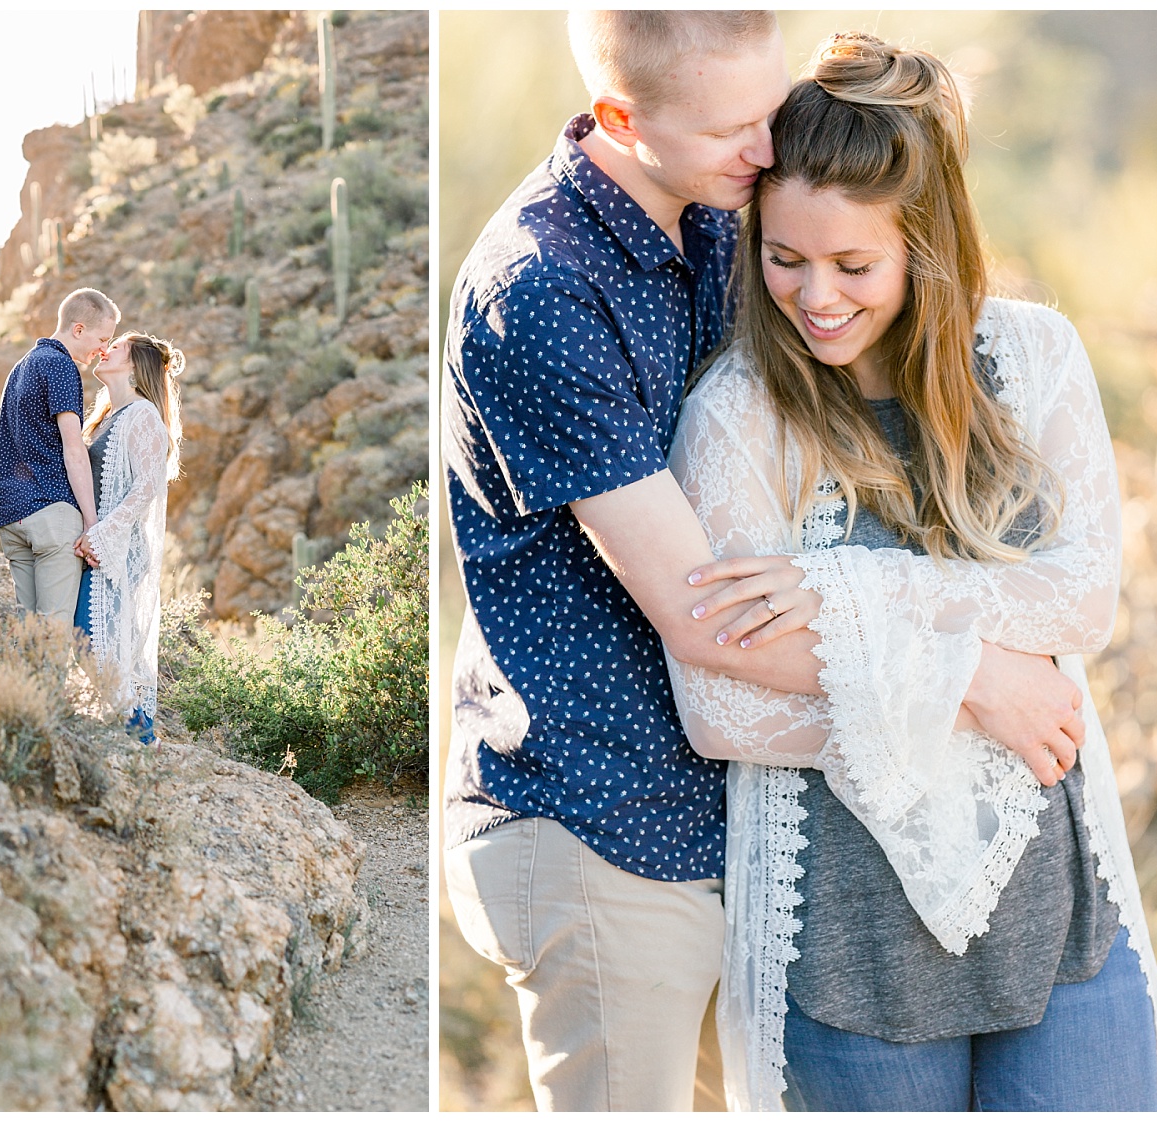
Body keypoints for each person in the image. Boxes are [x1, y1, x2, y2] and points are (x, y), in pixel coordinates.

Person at [666, 33, 1157, 1111]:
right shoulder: (739, 418)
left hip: (1066, 933)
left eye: (856, 266)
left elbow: (1079, 599)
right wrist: (979, 680)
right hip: (852, 971)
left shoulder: (1033, 361)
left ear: (929, 247)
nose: (815, 297)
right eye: (784, 256)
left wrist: (850, 600)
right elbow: (720, 705)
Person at [440, 11, 793, 1110]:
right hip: (598, 826)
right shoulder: (540, 289)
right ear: (618, 119)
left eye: (773, 112)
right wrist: (965, 682)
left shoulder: (718, 211)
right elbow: (703, 613)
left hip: (725, 811)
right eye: (736, 128)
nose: (771, 152)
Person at [72, 331, 183, 746]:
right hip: (99, 545)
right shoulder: (105, 417)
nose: (105, 349)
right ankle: (131, 734)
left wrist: (104, 533)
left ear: (134, 364)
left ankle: (142, 738)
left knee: (94, 640)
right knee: (93, 641)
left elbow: (148, 485)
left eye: (115, 347)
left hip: (118, 551)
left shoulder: (143, 416)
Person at [0, 288, 119, 621]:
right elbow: (73, 449)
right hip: (52, 513)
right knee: (52, 637)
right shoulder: (61, 366)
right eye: (103, 339)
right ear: (78, 329)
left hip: (11, 516)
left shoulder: (21, 367)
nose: (104, 350)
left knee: (32, 637)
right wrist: (92, 525)